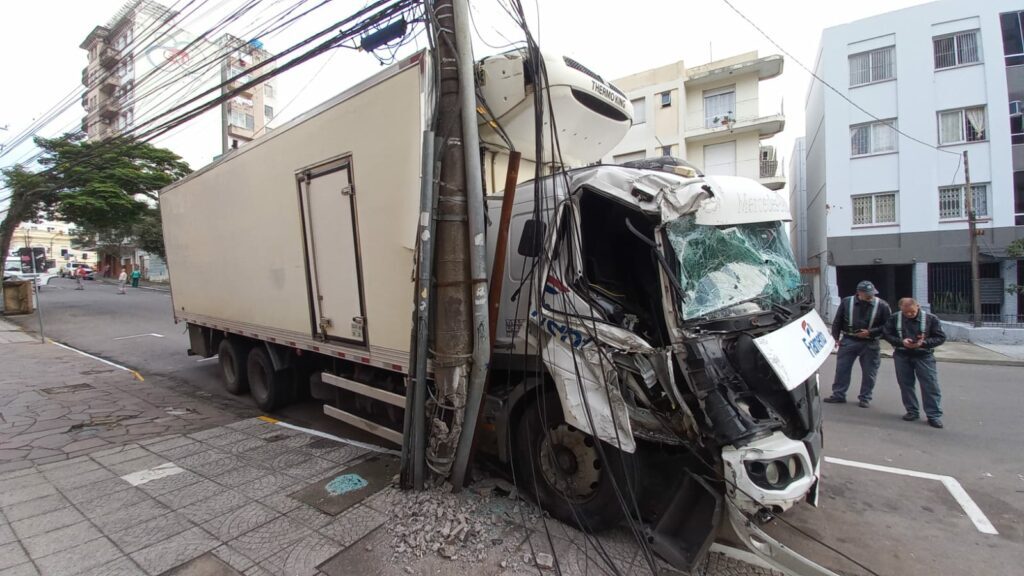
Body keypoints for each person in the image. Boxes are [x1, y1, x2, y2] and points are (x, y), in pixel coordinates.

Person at [824, 280, 891, 408]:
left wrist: (870, 332)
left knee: (869, 372)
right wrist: (836, 338)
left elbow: (888, 326)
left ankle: (865, 397)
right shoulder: (847, 302)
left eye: (872, 293)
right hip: (849, 340)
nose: (871, 296)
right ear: (859, 293)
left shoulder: (882, 305)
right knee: (842, 369)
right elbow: (838, 320)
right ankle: (839, 395)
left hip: (870, 343)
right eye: (867, 294)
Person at [883, 298, 947, 429]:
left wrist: (923, 343)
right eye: (905, 312)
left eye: (912, 312)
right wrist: (901, 342)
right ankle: (912, 411)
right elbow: (887, 334)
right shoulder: (895, 318)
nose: (909, 315)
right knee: (906, 384)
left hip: (923, 355)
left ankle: (933, 415)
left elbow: (940, 337)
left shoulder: (931, 319)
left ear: (918, 306)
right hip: (902, 355)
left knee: (930, 385)